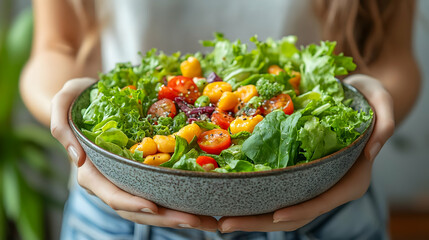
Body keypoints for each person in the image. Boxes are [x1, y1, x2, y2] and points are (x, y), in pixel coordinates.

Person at [20, 0, 421, 239]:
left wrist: (369, 127)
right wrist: (71, 117)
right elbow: (56, 46)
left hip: (327, 209)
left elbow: (396, 59)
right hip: (120, 213)